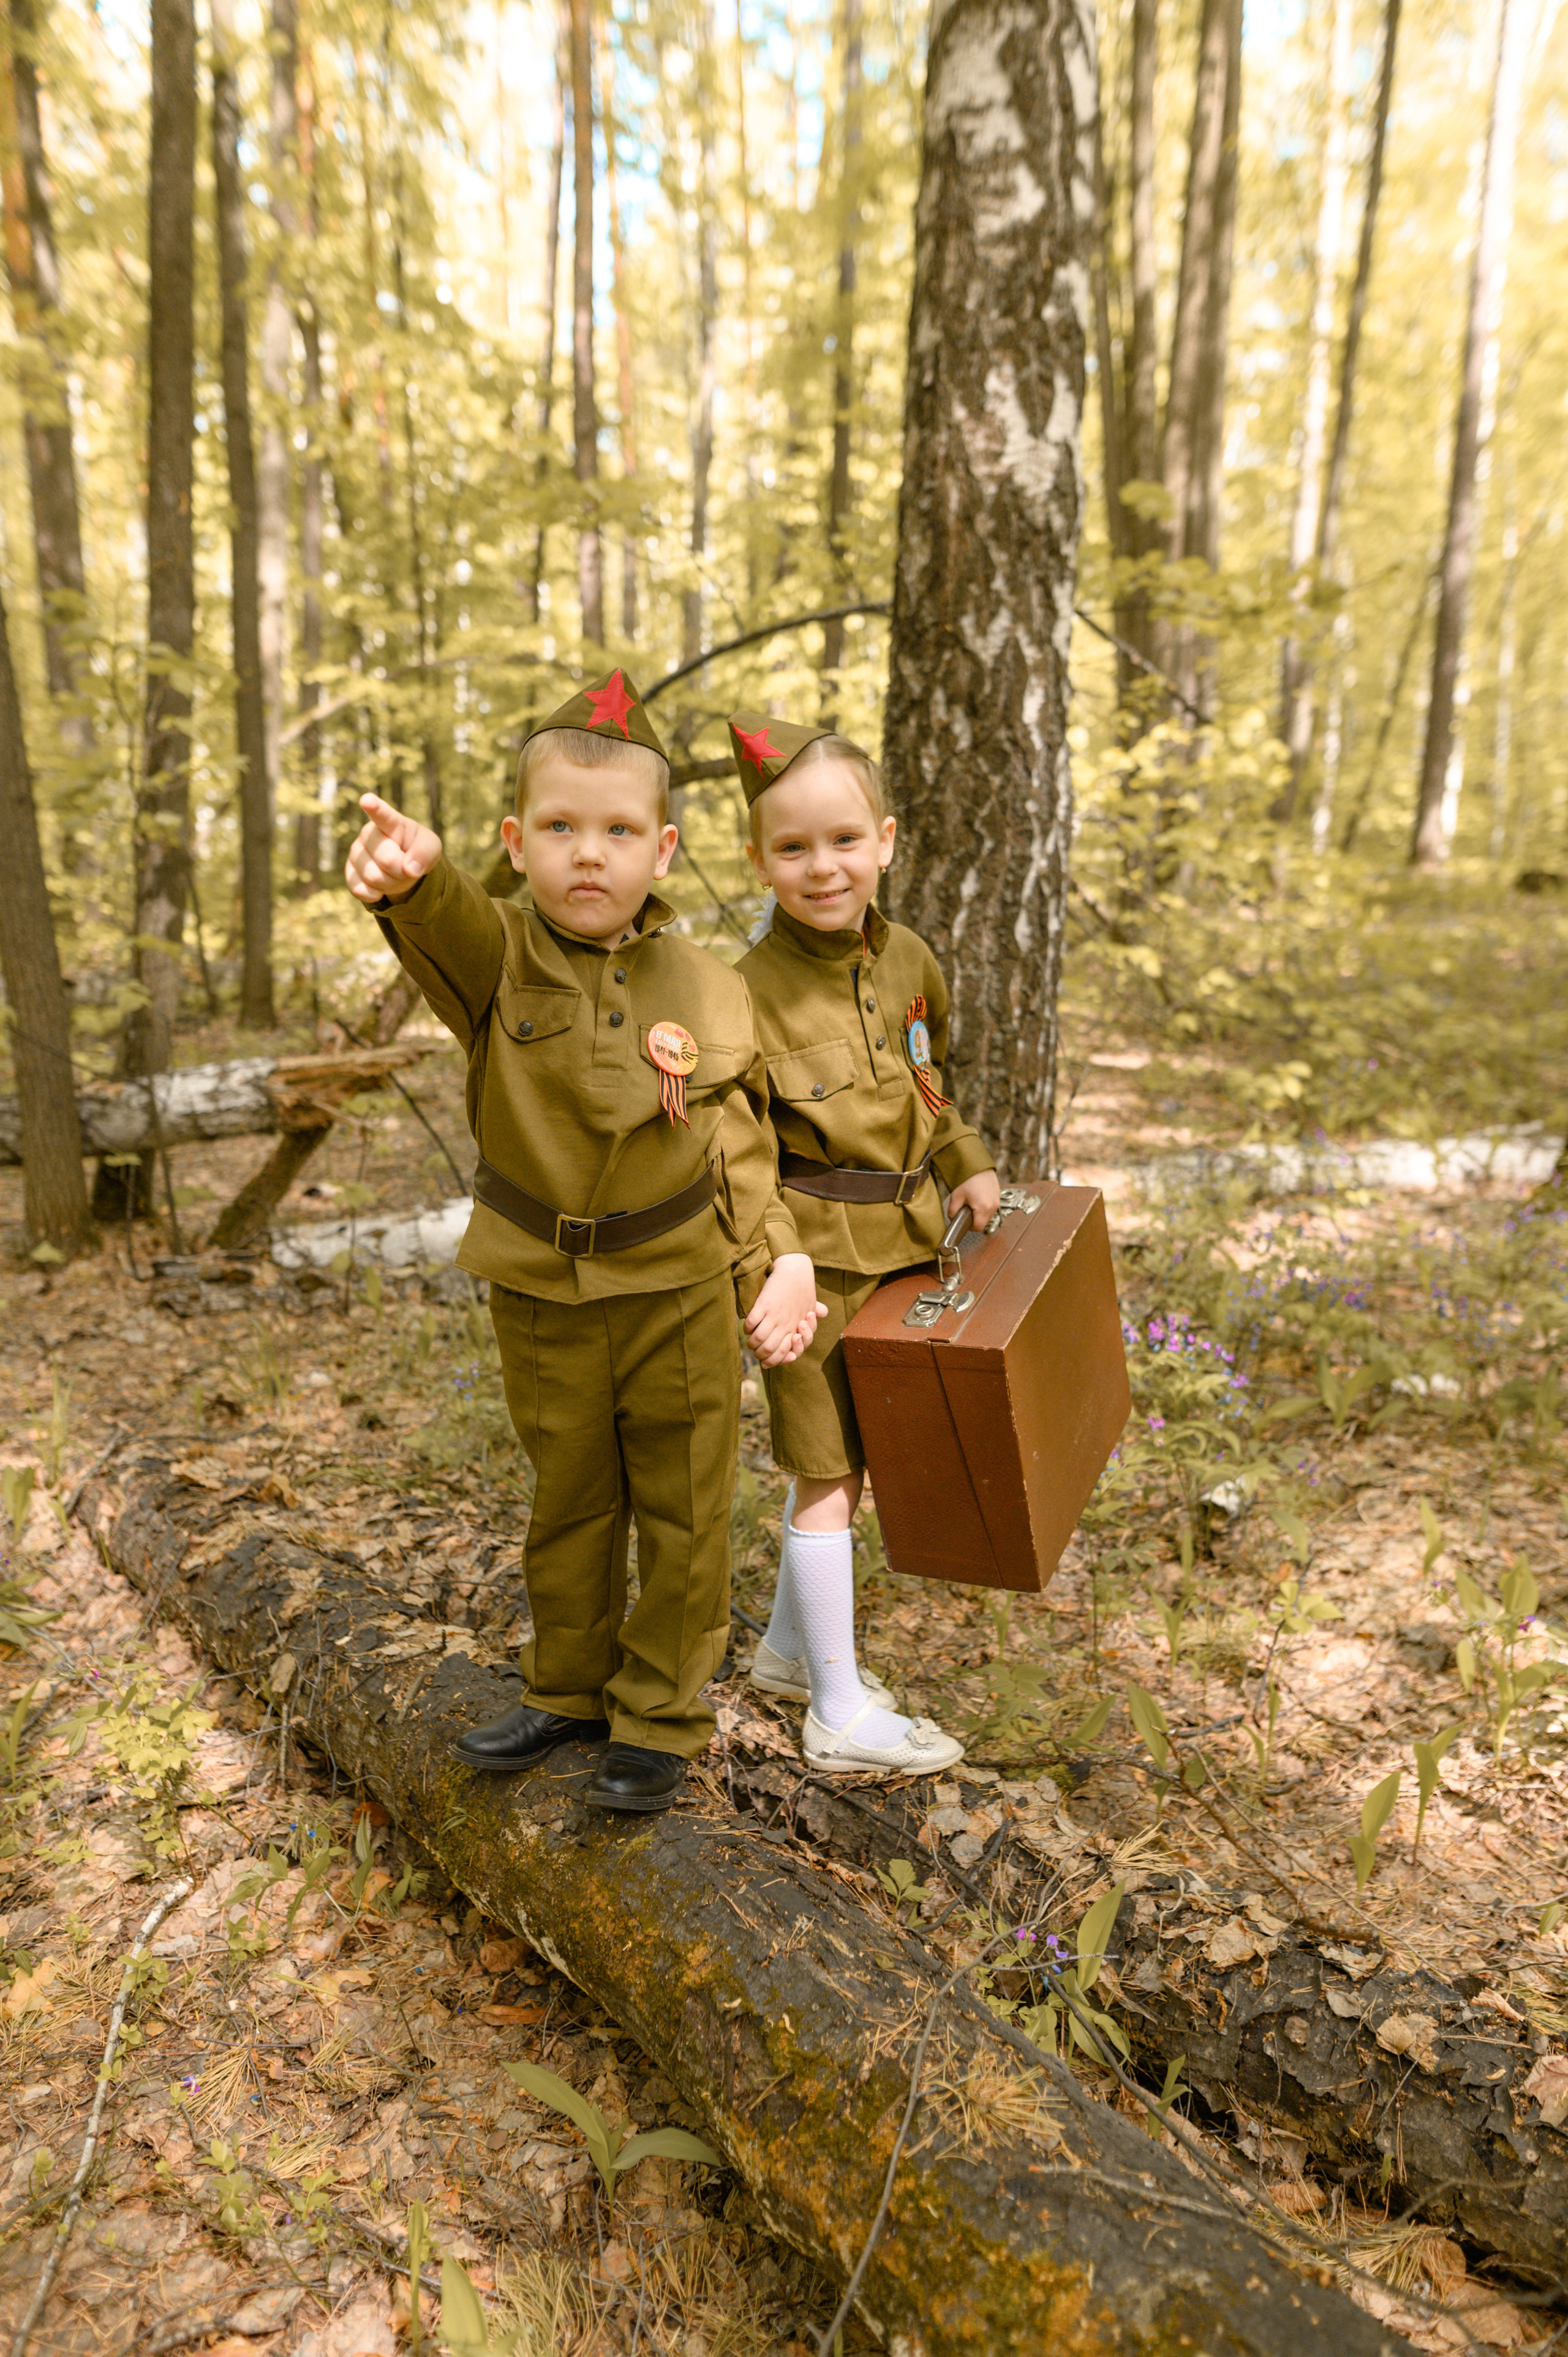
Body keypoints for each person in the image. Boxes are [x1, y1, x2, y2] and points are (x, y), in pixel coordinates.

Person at [344, 670, 822, 1814]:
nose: (588, 854)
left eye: (617, 831)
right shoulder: (497, 956)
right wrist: (413, 879)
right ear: (517, 843)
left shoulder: (709, 988)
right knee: (567, 1496)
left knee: (686, 1503)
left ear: (663, 849)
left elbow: (738, 1147)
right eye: (559, 828)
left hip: (680, 1287)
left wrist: (785, 1257)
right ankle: (566, 1686)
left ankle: (658, 1711)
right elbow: (441, 918)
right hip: (542, 1287)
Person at [733, 709, 1001, 1778]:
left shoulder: (912, 961)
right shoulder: (743, 993)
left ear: (886, 838)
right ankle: (837, 1714)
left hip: (905, 1247)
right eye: (792, 847)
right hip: (808, 1266)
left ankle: (790, 1656)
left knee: (863, 1460)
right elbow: (740, 1152)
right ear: (760, 860)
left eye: (844, 839)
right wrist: (776, 1265)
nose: (823, 865)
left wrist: (964, 1158)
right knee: (824, 1472)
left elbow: (929, 1074)